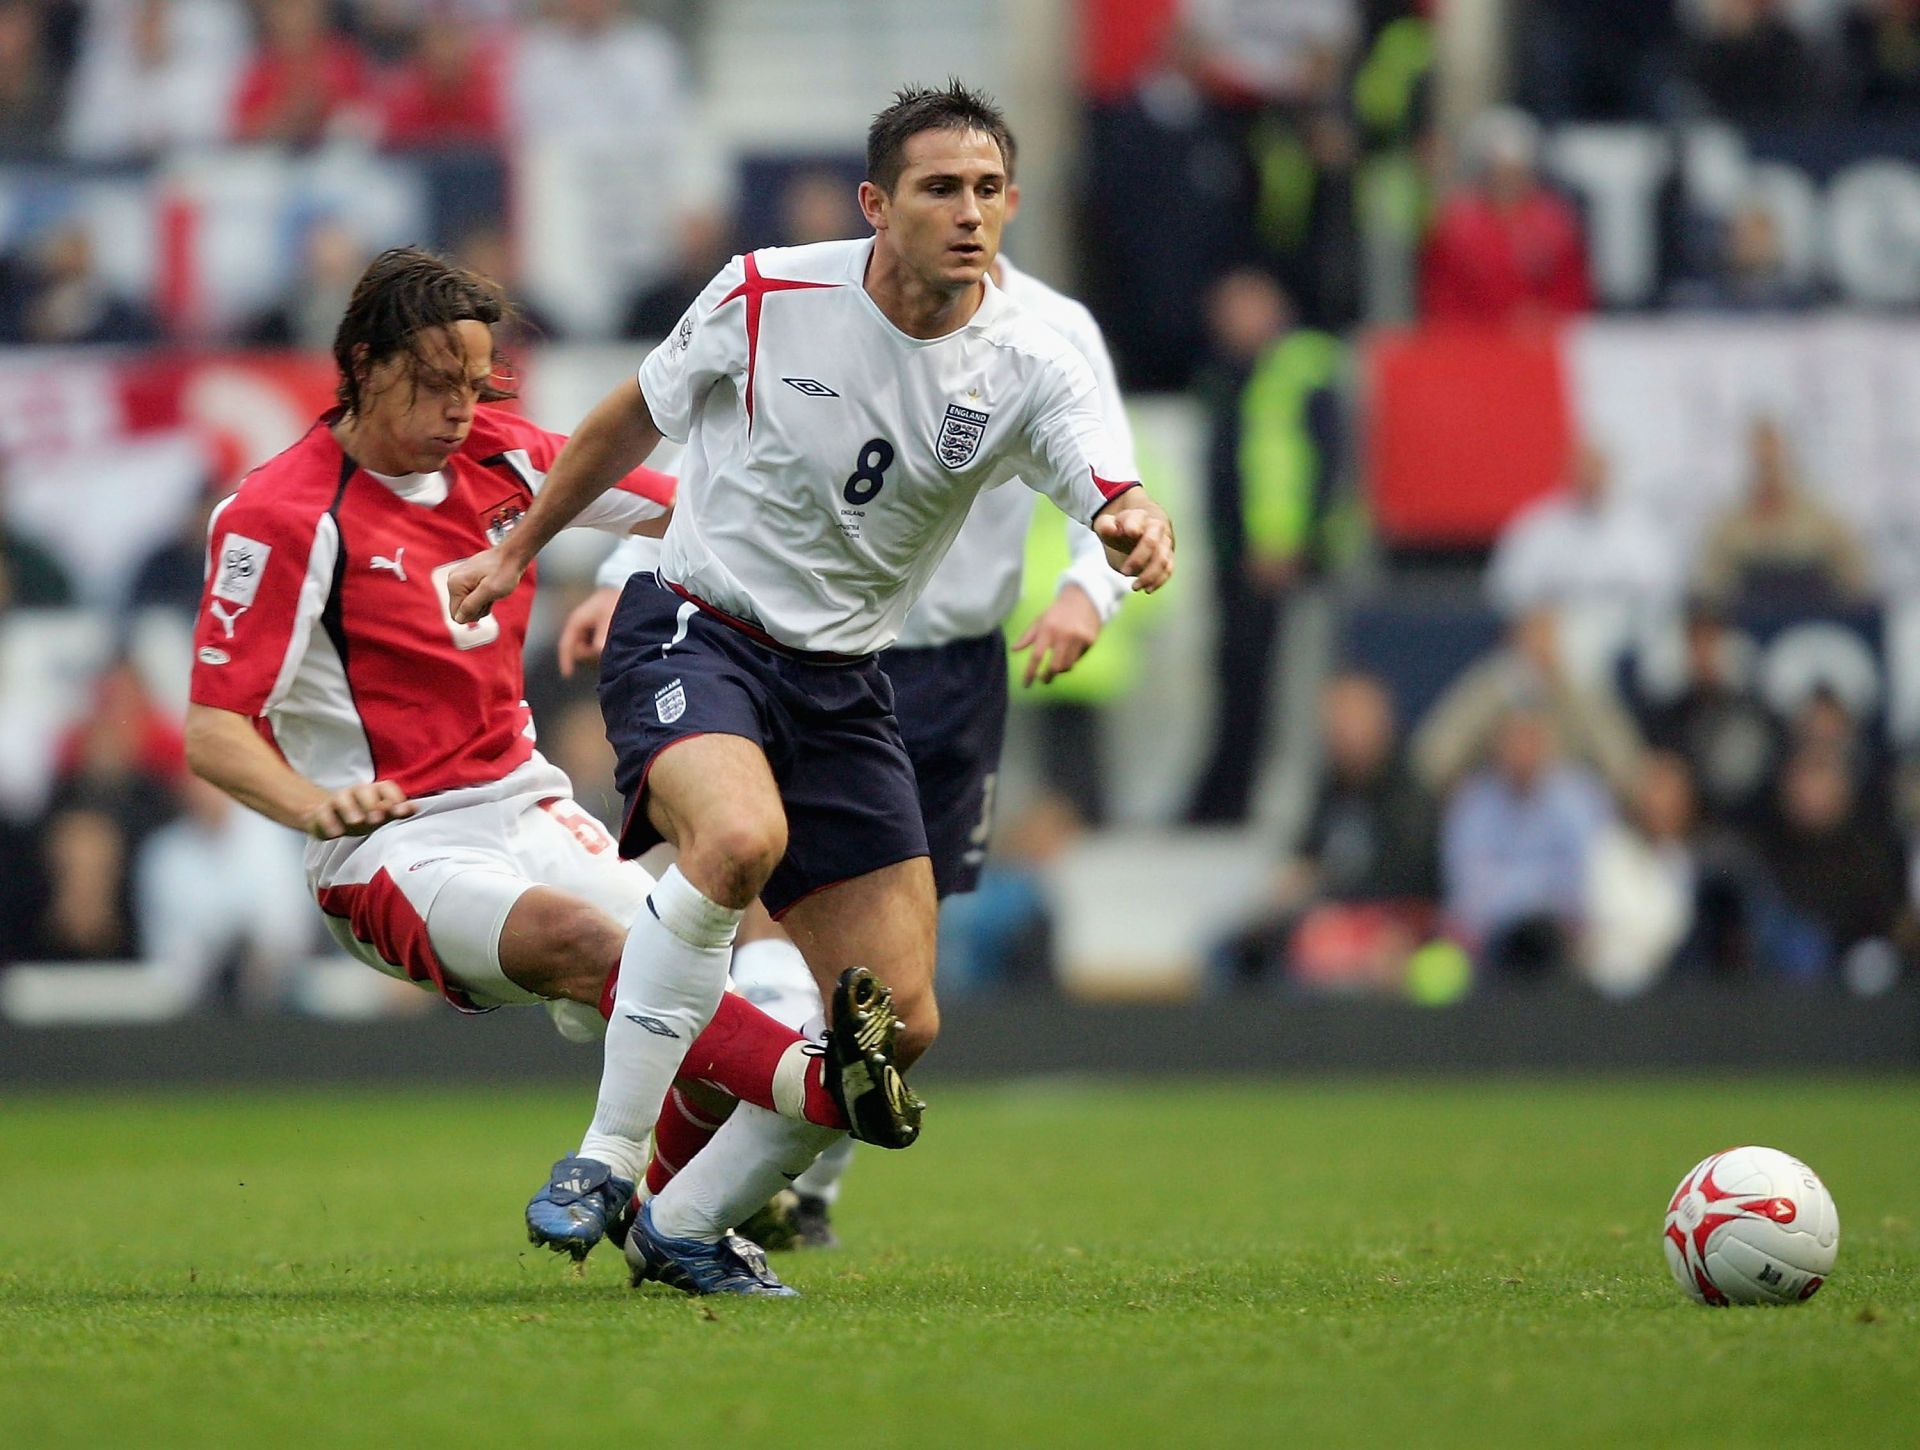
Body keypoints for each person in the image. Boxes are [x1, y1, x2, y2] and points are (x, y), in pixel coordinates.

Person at [447, 83, 1176, 1297]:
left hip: (849, 686)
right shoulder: (768, 290)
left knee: (901, 1022)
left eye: (990, 190)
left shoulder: (1032, 362)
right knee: (737, 840)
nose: (969, 213)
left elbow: (1107, 484)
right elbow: (633, 419)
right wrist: (521, 549)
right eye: (941, 188)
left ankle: (684, 1226)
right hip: (697, 631)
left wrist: (1133, 530)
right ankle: (608, 1154)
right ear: (875, 204)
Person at [184, 245, 923, 1264]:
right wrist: (315, 805)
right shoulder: (280, 514)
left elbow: (698, 510)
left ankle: (666, 1219)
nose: (458, 408)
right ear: (361, 361)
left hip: (527, 803)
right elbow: (215, 731)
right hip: (391, 846)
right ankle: (821, 1084)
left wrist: (632, 575)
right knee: (599, 948)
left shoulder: (508, 457)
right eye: (434, 383)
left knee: (693, 982)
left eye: (474, 383)